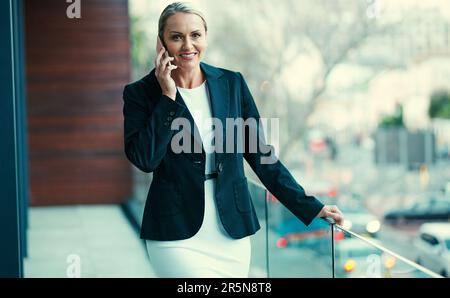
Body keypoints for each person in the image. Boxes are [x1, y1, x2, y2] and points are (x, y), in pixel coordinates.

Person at [122, 1, 344, 278]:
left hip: (230, 227)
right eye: (176, 37)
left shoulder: (231, 83)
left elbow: (262, 156)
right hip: (174, 230)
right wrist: (168, 96)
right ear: (161, 43)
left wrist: (311, 205)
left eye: (195, 35)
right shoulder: (140, 93)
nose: (187, 45)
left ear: (205, 37)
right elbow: (144, 158)